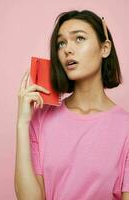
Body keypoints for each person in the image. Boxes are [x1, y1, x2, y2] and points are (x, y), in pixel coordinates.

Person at [14, 10, 129, 200]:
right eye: (61, 43)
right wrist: (22, 122)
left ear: (105, 48)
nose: (67, 49)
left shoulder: (126, 127)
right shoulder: (41, 118)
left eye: (79, 39)